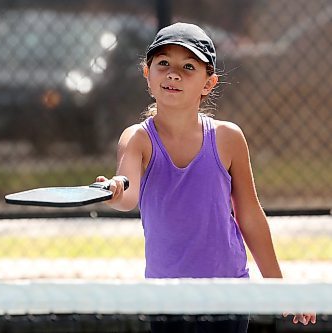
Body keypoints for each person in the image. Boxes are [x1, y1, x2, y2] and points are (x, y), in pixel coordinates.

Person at [95, 22, 316, 332]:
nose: (173, 74)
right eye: (163, 64)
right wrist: (114, 190)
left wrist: (279, 287)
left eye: (188, 66)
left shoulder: (228, 138)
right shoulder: (137, 139)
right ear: (147, 73)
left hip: (229, 294)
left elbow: (249, 215)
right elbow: (128, 195)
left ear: (208, 83)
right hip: (167, 298)